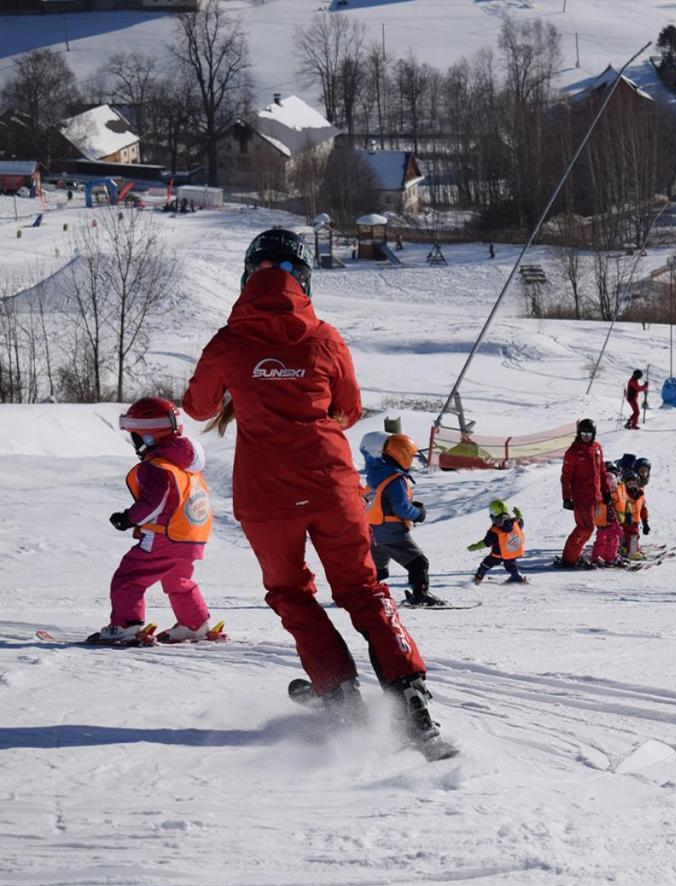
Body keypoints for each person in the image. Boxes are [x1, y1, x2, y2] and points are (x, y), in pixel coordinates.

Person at [182, 228, 449, 753]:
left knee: (290, 593)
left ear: (247, 277)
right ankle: (408, 693)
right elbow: (349, 410)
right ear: (304, 280)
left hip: (266, 496)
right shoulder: (325, 336)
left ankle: (340, 694)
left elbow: (196, 408)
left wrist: (251, 386)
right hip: (331, 484)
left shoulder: (228, 341)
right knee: (363, 588)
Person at [94, 398, 215, 645]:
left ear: (148, 436)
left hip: (163, 536)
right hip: (190, 537)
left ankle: (126, 625)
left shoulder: (157, 466)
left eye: (135, 435)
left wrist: (128, 518)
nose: (134, 441)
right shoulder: (186, 465)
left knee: (129, 577)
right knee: (178, 580)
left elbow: (153, 504)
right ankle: (194, 624)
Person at [362, 431, 444, 608]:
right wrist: (418, 513)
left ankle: (364, 594)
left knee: (377, 568)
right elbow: (401, 509)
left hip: (374, 531)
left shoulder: (374, 477)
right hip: (392, 531)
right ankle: (420, 595)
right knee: (418, 562)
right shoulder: (395, 478)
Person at [556, 418, 608, 568]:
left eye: (589, 433)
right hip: (581, 497)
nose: (586, 436)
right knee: (585, 528)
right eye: (583, 433)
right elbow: (565, 477)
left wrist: (605, 491)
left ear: (594, 434)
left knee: (595, 527)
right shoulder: (573, 452)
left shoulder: (597, 448)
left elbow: (602, 471)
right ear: (579, 433)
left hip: (595, 496)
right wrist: (567, 497)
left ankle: (573, 556)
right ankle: (569, 558)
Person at [469, 500, 527, 583]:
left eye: (492, 512)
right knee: (510, 566)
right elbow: (521, 524)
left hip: (497, 555)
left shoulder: (495, 529)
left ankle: (478, 578)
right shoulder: (514, 523)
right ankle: (517, 577)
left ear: (495, 513)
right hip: (511, 552)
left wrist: (475, 546)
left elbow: (486, 542)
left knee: (485, 565)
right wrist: (519, 515)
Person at [590, 464, 625, 566]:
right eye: (612, 486)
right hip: (608, 524)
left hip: (605, 524)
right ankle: (605, 558)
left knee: (606, 541)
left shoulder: (608, 497)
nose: (613, 489)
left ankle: (603, 557)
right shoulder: (603, 498)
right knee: (610, 541)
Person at [620, 470, 650, 560]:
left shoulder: (640, 495)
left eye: (634, 483)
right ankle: (631, 552)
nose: (632, 486)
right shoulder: (623, 495)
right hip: (624, 520)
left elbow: (643, 510)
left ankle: (627, 549)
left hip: (635, 521)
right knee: (630, 535)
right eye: (629, 484)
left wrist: (645, 523)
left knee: (633, 536)